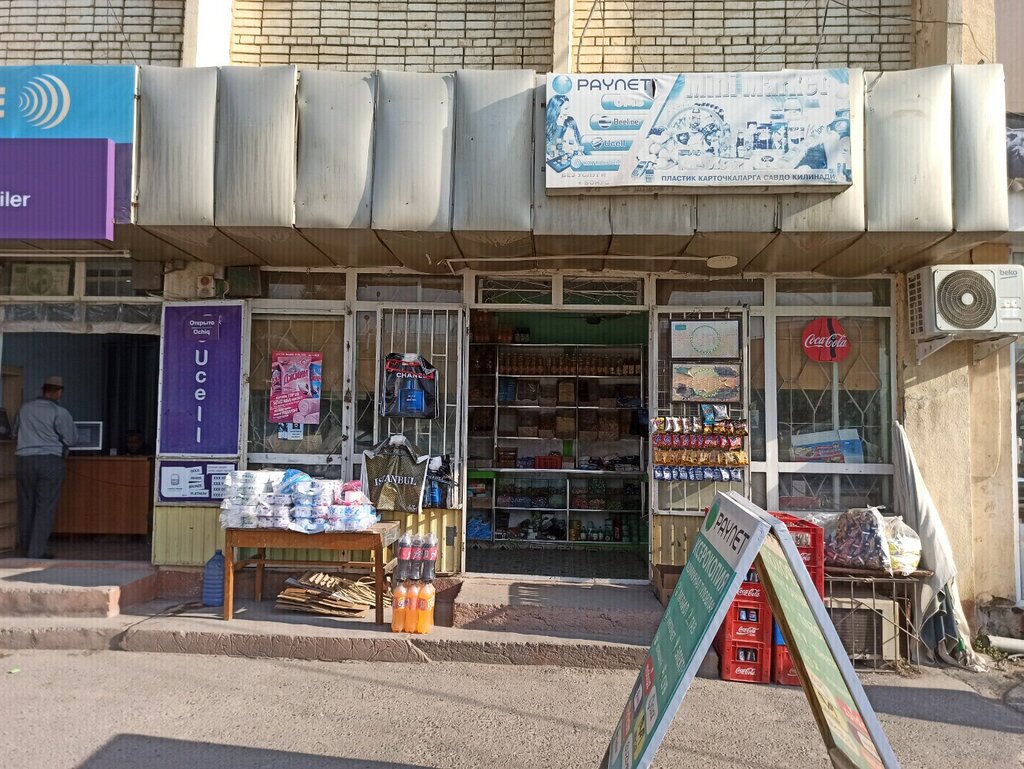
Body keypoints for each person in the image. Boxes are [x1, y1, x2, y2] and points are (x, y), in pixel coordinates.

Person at [13, 376, 76, 559]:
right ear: (59, 392)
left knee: (26, 505)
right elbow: (70, 439)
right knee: (45, 507)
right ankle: (36, 552)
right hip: (50, 461)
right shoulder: (60, 412)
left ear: (42, 390)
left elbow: (15, 432)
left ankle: (25, 549)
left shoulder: (24, 408)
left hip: (24, 461)